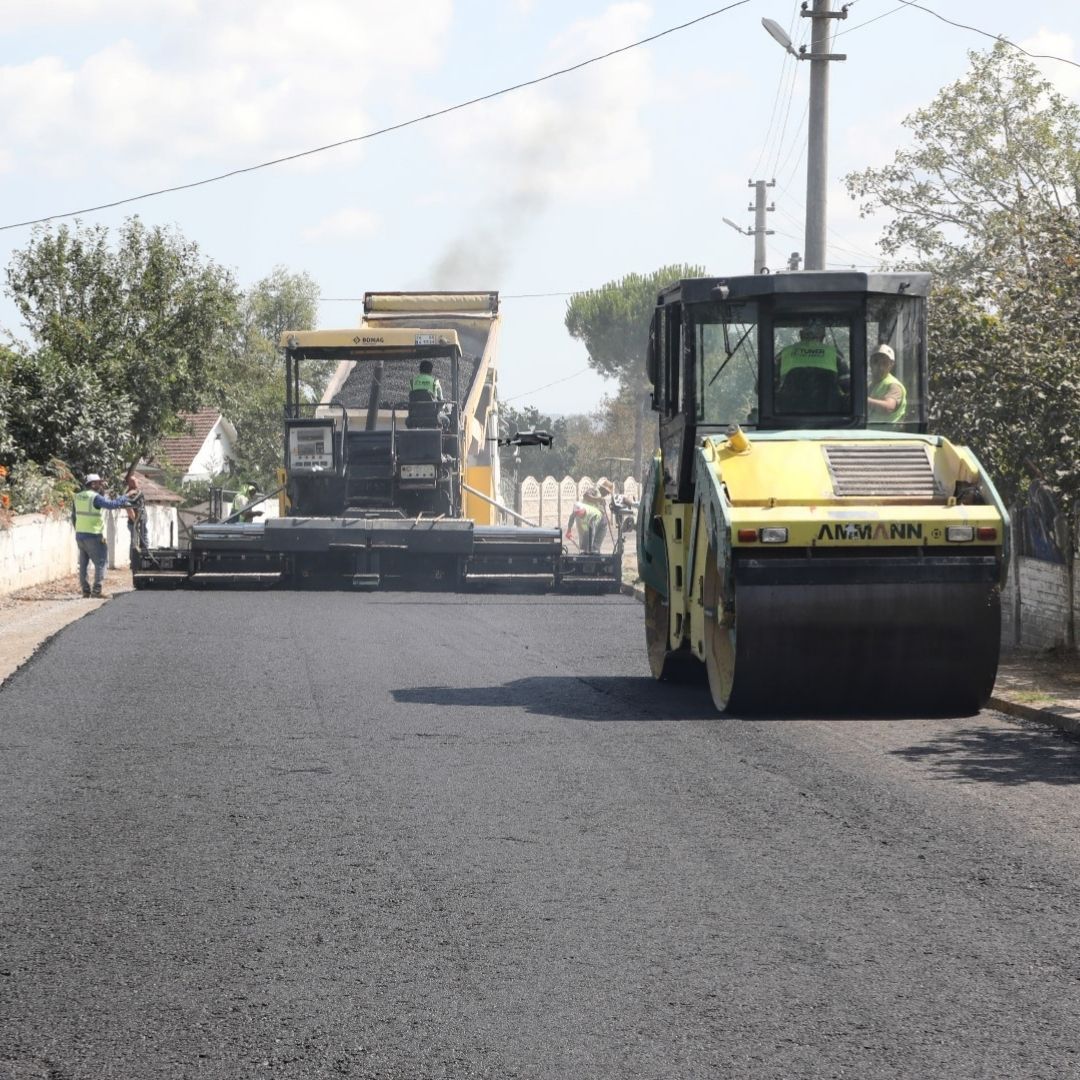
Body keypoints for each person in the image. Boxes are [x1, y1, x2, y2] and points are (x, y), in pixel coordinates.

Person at [73, 472, 131, 598]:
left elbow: (74, 516)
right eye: (99, 483)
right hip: (94, 534)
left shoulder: (77, 496)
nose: (101, 485)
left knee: (83, 564)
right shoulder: (95, 497)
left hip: (80, 535)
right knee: (101, 562)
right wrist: (125, 496)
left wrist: (78, 529)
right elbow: (111, 505)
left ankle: (86, 591)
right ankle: (97, 591)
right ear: (93, 484)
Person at [775, 324, 843, 412]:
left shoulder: (784, 354)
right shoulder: (835, 354)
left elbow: (761, 388)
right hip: (831, 418)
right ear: (823, 336)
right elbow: (848, 387)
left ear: (801, 335)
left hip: (786, 418)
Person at [868, 343, 907, 423]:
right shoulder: (870, 385)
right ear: (870, 363)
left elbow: (888, 407)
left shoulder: (894, 385)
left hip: (888, 434)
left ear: (891, 365)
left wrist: (862, 401)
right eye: (876, 361)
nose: (880, 367)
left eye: (885, 363)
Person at [408, 359, 449, 430]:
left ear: (420, 370)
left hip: (415, 417)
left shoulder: (412, 382)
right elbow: (441, 400)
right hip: (432, 417)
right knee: (447, 421)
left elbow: (411, 398)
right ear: (431, 370)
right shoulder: (435, 382)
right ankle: (442, 439)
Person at [565, 486, 608, 553]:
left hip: (598, 522)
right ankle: (587, 551)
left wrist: (590, 548)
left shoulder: (592, 514)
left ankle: (591, 553)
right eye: (607, 492)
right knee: (585, 544)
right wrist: (569, 530)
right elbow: (586, 495)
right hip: (587, 519)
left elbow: (591, 531)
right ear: (604, 489)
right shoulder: (595, 491)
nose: (607, 494)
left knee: (593, 546)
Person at [125, 474, 149, 555]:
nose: (136, 482)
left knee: (143, 539)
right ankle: (134, 560)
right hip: (135, 523)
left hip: (141, 521)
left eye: (136, 480)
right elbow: (129, 509)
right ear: (130, 483)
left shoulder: (137, 492)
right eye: (134, 481)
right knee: (135, 542)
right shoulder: (130, 494)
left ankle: (144, 557)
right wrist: (135, 522)